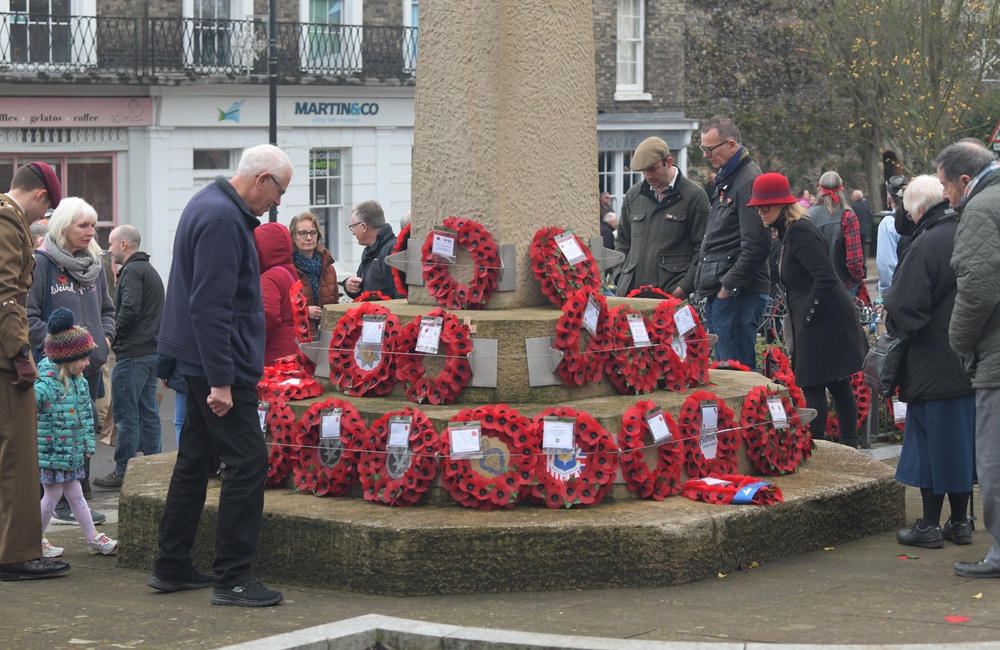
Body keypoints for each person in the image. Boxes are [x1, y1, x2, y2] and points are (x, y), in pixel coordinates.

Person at [151, 143, 290, 606]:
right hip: (218, 365)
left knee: (193, 462)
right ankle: (232, 578)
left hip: (197, 359)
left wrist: (172, 361)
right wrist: (222, 381)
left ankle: (171, 565)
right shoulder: (223, 219)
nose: (277, 204)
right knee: (248, 463)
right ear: (262, 179)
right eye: (278, 192)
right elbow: (210, 306)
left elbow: (185, 290)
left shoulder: (205, 203)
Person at [882, 174, 974, 549]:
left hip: (930, 359)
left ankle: (929, 525)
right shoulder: (966, 233)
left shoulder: (924, 244)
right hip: (966, 359)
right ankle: (961, 522)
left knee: (930, 446)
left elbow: (905, 309)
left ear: (917, 210)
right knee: (960, 444)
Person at [748, 172, 867, 446]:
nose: (761, 211)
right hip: (818, 317)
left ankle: (823, 450)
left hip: (823, 318)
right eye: (757, 207)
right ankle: (846, 446)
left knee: (817, 385)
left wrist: (808, 317)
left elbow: (825, 277)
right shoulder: (790, 231)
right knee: (836, 383)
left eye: (766, 206)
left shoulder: (800, 231)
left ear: (782, 205)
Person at [0, 161, 71, 582]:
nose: (40, 219)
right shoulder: (9, 222)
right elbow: (7, 297)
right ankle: (16, 553)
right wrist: (21, 355)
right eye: (44, 212)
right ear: (41, 196)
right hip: (5, 359)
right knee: (18, 456)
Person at [28, 197, 115, 526]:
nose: (91, 232)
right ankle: (58, 504)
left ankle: (77, 498)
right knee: (56, 434)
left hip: (90, 367)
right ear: (63, 226)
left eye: (93, 225)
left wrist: (105, 341)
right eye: (84, 225)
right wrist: (61, 352)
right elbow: (28, 317)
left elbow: (108, 310)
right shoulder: (42, 263)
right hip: (56, 373)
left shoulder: (96, 264)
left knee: (84, 428)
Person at [941, 140, 1000, 578]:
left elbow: (977, 288)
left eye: (945, 184)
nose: (944, 194)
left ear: (965, 180)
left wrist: (959, 342)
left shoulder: (981, 210)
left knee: (994, 462)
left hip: (996, 360)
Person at [36, 308, 118, 556]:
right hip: (52, 454)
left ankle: (92, 538)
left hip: (71, 453)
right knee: (52, 495)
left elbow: (85, 419)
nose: (87, 363)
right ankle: (33, 540)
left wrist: (86, 448)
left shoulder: (79, 382)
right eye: (83, 358)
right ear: (67, 358)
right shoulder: (45, 385)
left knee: (76, 493)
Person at [693, 115, 770, 370]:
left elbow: (757, 245)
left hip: (737, 295)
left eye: (710, 149)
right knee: (726, 371)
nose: (706, 156)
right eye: (703, 149)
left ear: (731, 145)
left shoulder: (747, 180)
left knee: (736, 375)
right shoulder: (731, 177)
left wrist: (727, 288)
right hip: (728, 293)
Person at [93, 225, 165, 489]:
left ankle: (124, 469)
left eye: (111, 244)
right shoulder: (150, 270)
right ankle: (154, 465)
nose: (109, 250)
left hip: (132, 354)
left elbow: (129, 310)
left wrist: (112, 336)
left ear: (124, 244)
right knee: (148, 412)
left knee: (126, 414)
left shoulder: (133, 271)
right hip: (150, 353)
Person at [614, 137, 709, 298]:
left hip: (671, 295)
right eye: (643, 171)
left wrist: (684, 287)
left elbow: (703, 249)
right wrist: (619, 276)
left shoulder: (695, 196)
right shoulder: (633, 195)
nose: (648, 176)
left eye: (652, 169)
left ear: (669, 162)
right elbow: (622, 242)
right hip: (631, 294)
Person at [807, 171, 865, 298]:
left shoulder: (806, 216)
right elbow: (854, 261)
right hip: (843, 285)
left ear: (818, 189)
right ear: (841, 189)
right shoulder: (848, 217)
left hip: (813, 286)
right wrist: (858, 278)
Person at [255, 222, 299, 365]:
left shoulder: (270, 277)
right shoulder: (289, 272)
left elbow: (269, 315)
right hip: (293, 347)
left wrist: (253, 344)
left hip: (275, 355)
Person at [289, 211, 339, 336]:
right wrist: (304, 312)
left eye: (313, 232)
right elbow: (280, 310)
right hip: (299, 337)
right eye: (303, 233)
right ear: (293, 237)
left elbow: (335, 304)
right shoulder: (289, 269)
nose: (309, 237)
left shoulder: (328, 267)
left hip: (326, 336)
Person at [343, 200, 399, 300]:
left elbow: (400, 298)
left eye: (353, 227)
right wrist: (348, 285)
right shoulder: (371, 250)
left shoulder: (392, 251)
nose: (353, 233)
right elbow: (367, 289)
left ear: (364, 227)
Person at [851, 189, 873, 257]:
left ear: (855, 197)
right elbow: (870, 217)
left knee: (856, 248)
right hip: (864, 229)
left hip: (856, 230)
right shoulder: (866, 205)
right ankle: (864, 261)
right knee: (863, 247)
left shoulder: (853, 206)